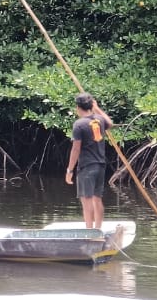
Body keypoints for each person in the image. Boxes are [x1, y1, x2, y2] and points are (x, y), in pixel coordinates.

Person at [66, 92, 113, 229]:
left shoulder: (79, 125)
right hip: (100, 165)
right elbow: (110, 123)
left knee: (86, 201)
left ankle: (90, 231)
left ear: (78, 108)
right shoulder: (99, 120)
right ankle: (97, 229)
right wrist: (97, 108)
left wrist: (70, 170)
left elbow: (76, 149)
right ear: (91, 105)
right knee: (97, 199)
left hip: (87, 167)